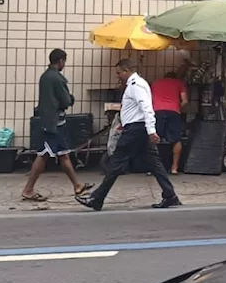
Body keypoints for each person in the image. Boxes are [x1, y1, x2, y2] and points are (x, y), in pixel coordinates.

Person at [77, 58, 180, 211]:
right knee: (154, 163)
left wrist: (151, 131)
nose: (117, 76)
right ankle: (170, 195)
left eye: (119, 73)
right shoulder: (136, 84)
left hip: (135, 130)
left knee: (116, 163)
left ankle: (97, 198)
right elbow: (136, 109)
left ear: (126, 71)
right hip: (137, 128)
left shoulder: (136, 85)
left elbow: (147, 108)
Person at [21, 49, 92, 201]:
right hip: (54, 124)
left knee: (63, 155)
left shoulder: (45, 76)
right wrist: (71, 98)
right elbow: (66, 101)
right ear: (61, 61)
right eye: (64, 62)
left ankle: (77, 186)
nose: (64, 65)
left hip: (49, 121)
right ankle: (28, 189)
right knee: (44, 155)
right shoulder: (57, 78)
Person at [150, 71, 188, 174]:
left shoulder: (156, 83)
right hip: (173, 112)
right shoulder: (179, 83)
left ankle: (154, 168)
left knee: (154, 138)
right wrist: (176, 107)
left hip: (157, 111)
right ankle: (174, 168)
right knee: (176, 139)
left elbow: (150, 99)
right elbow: (185, 101)